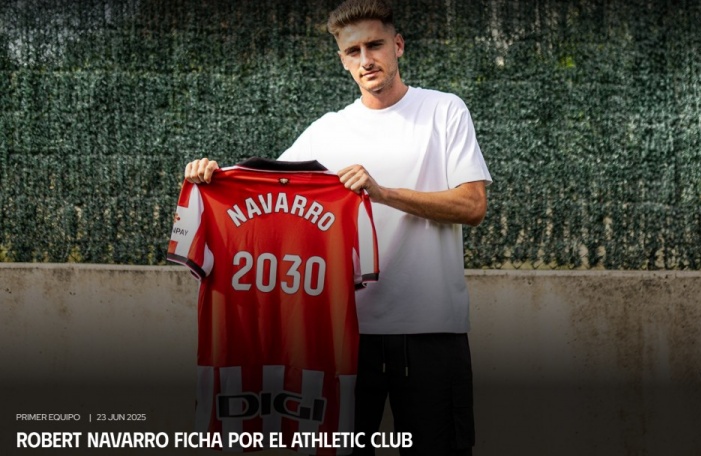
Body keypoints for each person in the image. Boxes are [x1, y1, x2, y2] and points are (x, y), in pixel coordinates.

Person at [184, 0, 492, 454]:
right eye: (353, 51)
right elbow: (266, 190)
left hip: (431, 328)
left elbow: (472, 205)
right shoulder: (327, 130)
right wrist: (214, 177)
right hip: (344, 335)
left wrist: (382, 192)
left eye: (375, 45)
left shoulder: (444, 110)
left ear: (398, 45)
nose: (366, 59)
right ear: (343, 60)